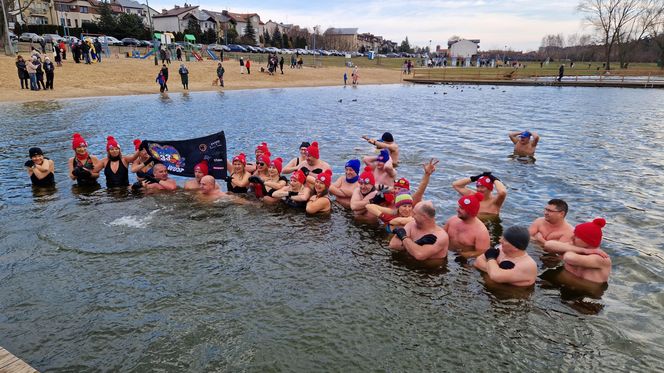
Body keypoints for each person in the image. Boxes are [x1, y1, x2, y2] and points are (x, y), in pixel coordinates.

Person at [544, 218, 611, 284]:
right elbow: (548, 245)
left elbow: (569, 258)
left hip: (585, 293)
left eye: (577, 236)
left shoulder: (601, 258)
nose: (572, 238)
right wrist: (583, 250)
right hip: (561, 284)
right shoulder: (577, 246)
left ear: (588, 241)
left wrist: (568, 249)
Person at [443, 193, 491, 258]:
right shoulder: (452, 220)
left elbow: (483, 253)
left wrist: (463, 255)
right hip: (446, 252)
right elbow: (442, 235)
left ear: (470, 211)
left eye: (461, 208)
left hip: (464, 260)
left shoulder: (481, 232)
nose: (457, 210)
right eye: (459, 206)